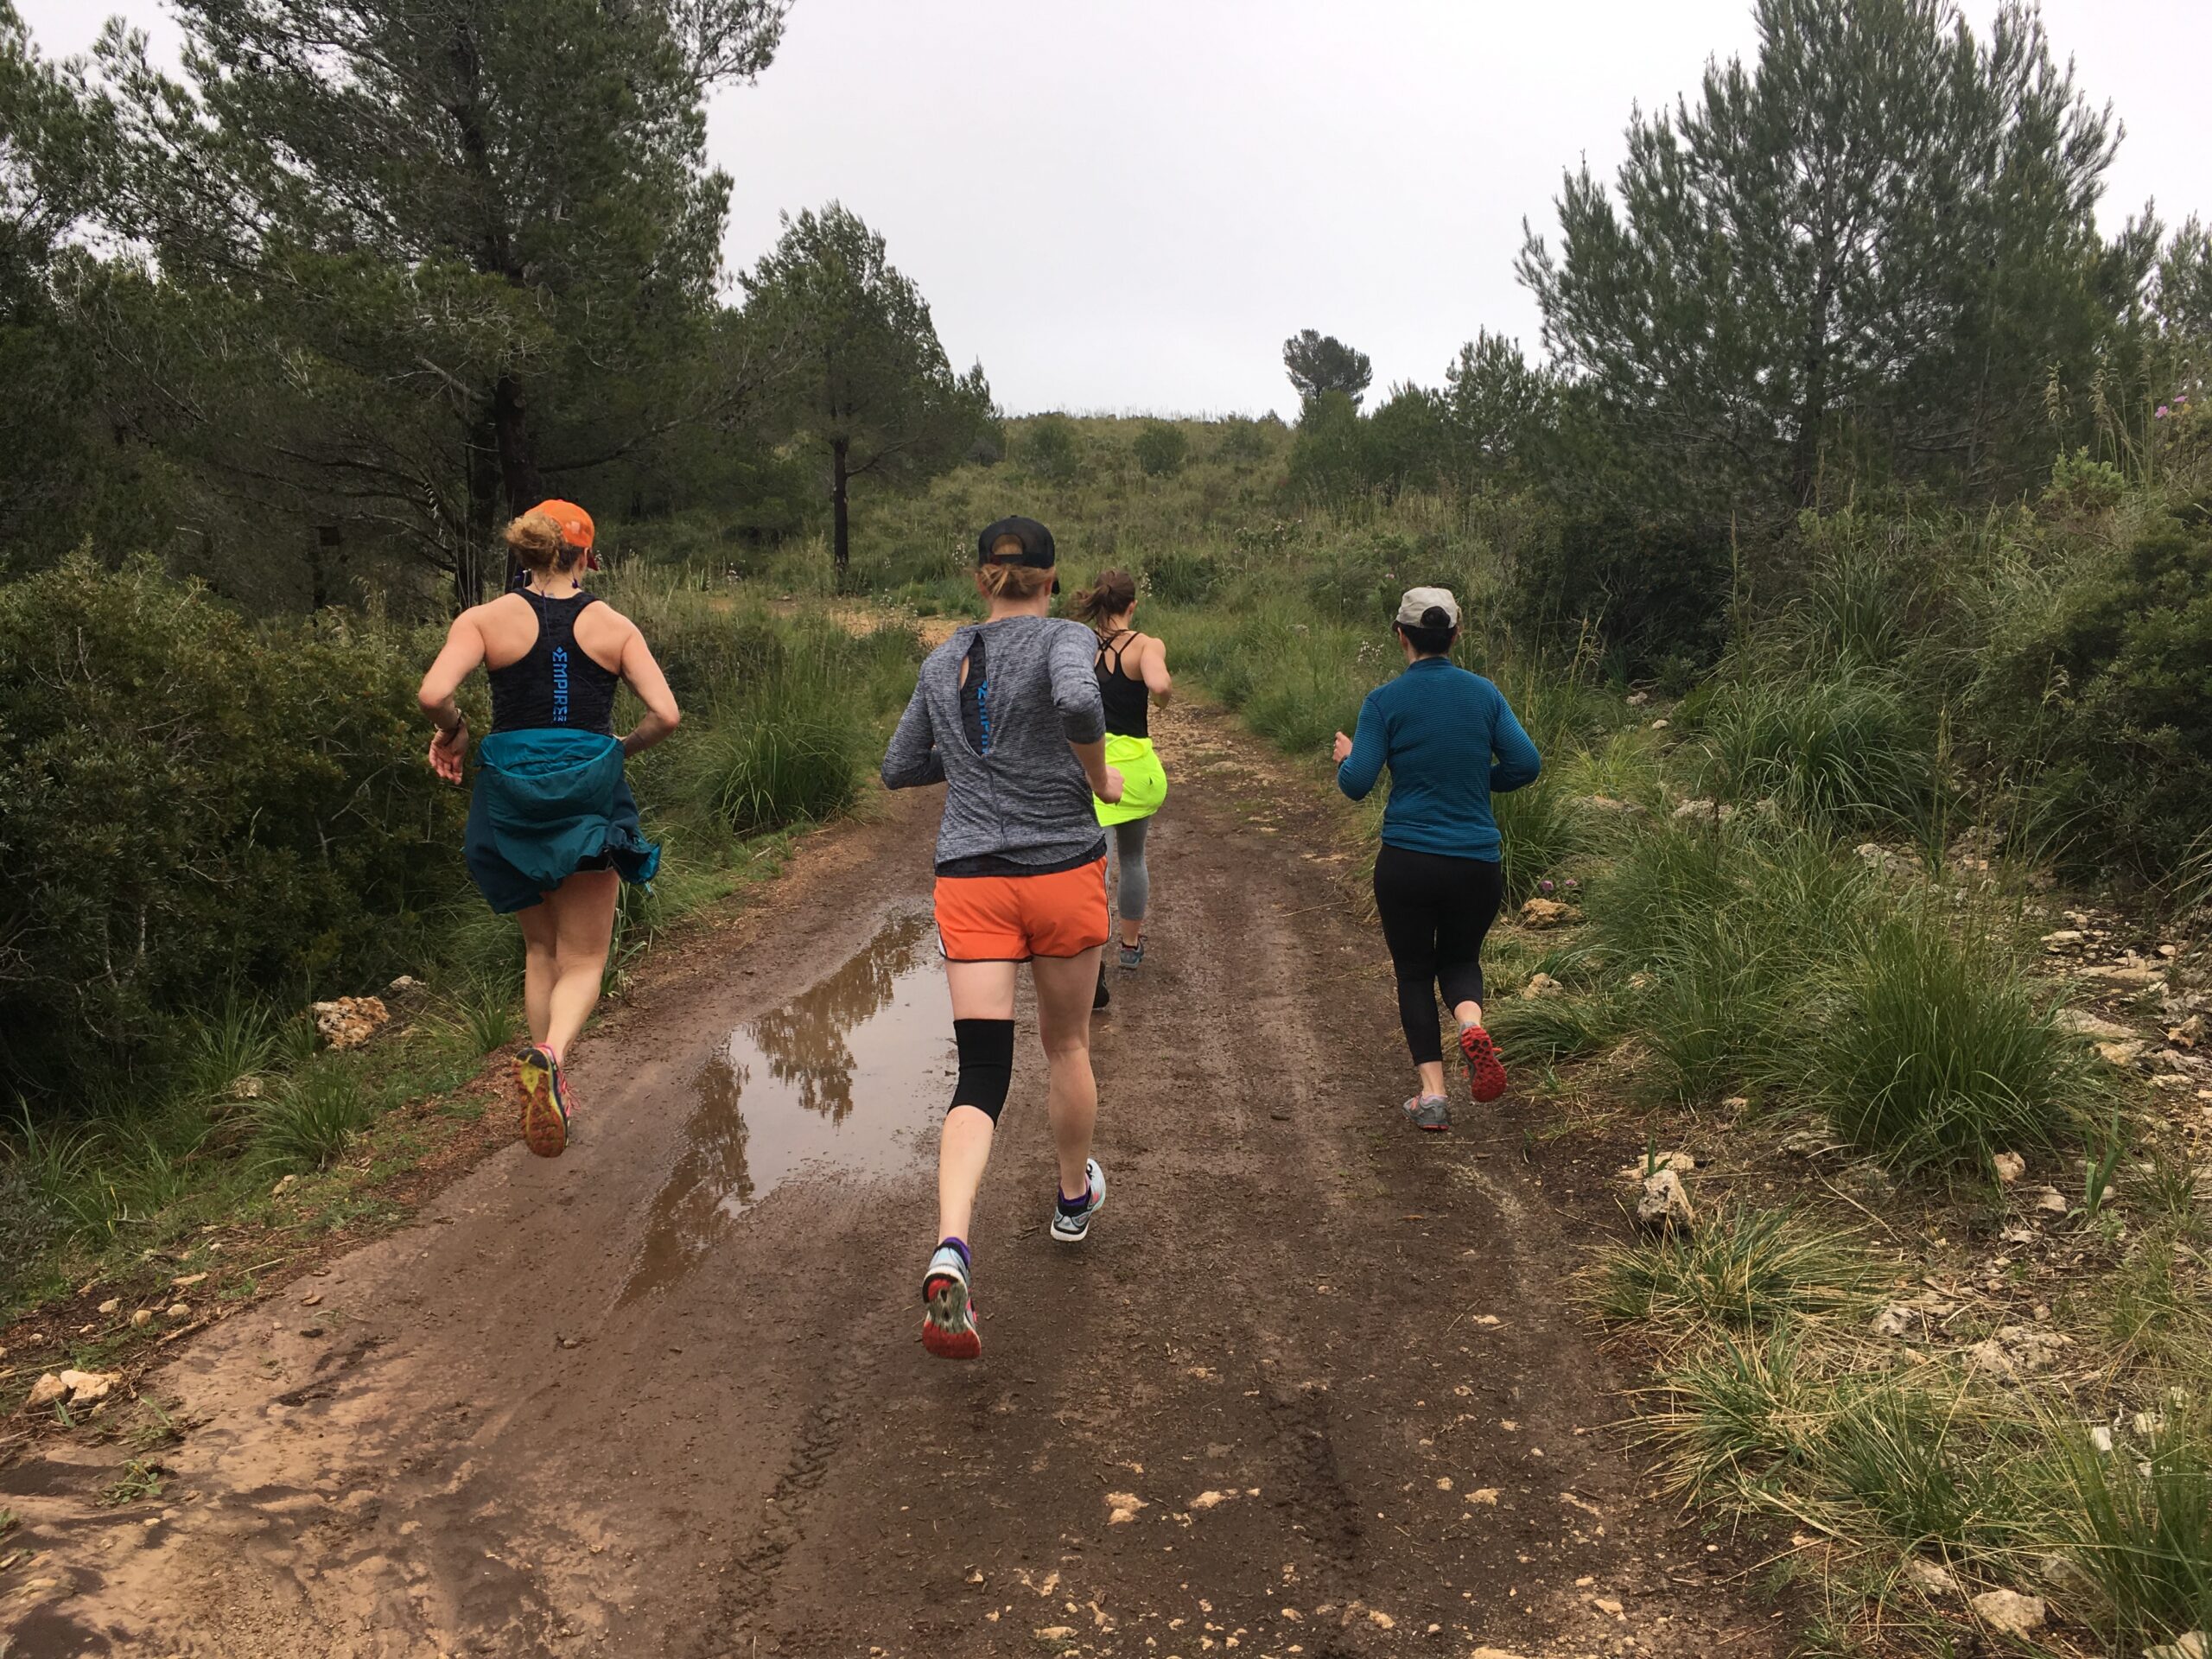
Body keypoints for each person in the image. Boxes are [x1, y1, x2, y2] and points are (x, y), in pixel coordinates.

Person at [881, 515, 1125, 1360]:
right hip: (1060, 869)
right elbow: (1079, 698)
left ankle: (951, 1244)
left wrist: (971, 747)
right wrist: (1097, 777)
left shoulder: (939, 660)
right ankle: (1070, 1201)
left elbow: (898, 766)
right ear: (1052, 580)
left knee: (980, 1070)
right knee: (1066, 1046)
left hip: (971, 881)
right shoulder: (1063, 638)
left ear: (981, 579)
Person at [417, 500, 680, 1159]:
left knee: (542, 952)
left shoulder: (484, 619)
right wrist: (621, 747)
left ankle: (547, 1078)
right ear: (588, 555)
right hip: (588, 785)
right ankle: (550, 1056)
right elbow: (666, 715)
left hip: (511, 791)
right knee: (587, 957)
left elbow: (431, 693)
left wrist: (453, 731)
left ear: (526, 553)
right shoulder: (614, 626)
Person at [1332, 588, 1540, 1133]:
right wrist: (1473, 782)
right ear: (1456, 635)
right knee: (1461, 961)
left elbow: (1356, 784)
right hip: (1476, 861)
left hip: (1408, 861)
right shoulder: (1484, 694)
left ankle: (1433, 1096)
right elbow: (1526, 763)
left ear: (1400, 635)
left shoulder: (1384, 701)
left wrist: (1348, 756)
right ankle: (1471, 1022)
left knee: (1414, 973)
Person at [1069, 569, 1172, 1009]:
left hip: (1091, 768)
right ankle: (1130, 947)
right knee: (1133, 858)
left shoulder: (1077, 644)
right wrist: (1163, 699)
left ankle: (1092, 957)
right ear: (1132, 605)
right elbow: (1160, 685)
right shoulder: (1146, 645)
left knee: (1093, 867)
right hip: (1136, 770)